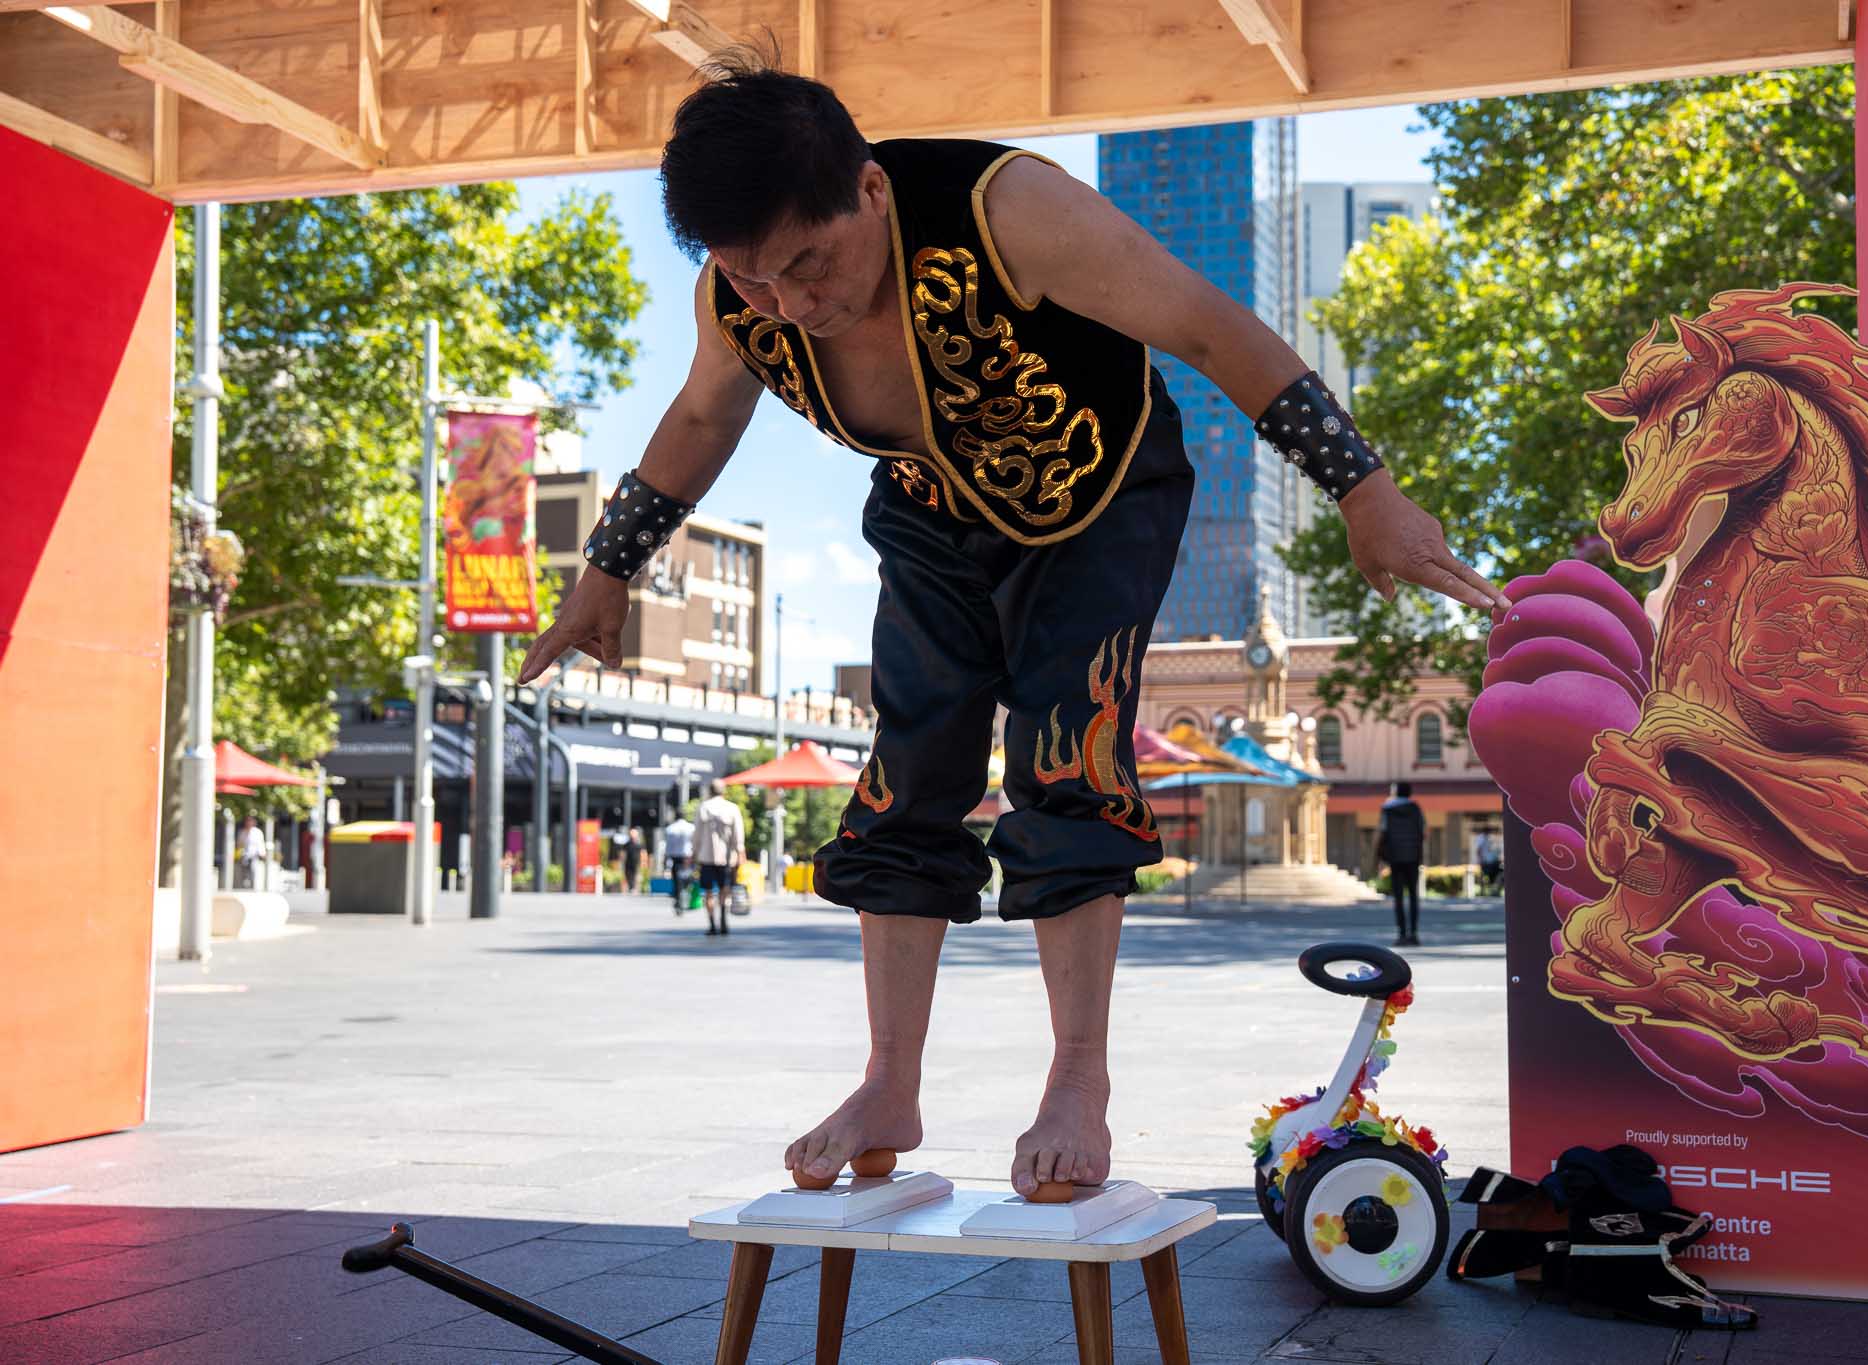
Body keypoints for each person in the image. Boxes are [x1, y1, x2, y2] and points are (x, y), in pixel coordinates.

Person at [515, 53, 1507, 1199]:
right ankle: (890, 1079)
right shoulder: (737, 303)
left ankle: (1074, 1081)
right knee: (904, 770)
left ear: (871, 193)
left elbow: (1204, 326)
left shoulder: (1010, 214)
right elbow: (699, 414)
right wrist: (607, 569)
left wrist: (1360, 489)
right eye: (753, 279)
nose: (790, 302)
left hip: (1098, 497)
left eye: (809, 263)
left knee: (1066, 756)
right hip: (933, 512)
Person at [1376, 782, 1426, 947]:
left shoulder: (1387, 810)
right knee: (1413, 896)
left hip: (1395, 857)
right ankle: (1414, 933)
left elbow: (1383, 832)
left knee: (1398, 897)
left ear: (1396, 792)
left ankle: (1402, 934)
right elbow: (1422, 831)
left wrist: (1379, 855)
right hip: (1413, 856)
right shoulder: (1416, 809)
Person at [694, 779, 746, 936]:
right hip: (726, 857)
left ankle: (712, 924)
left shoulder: (703, 807)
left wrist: (694, 852)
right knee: (725, 889)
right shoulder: (732, 808)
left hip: (706, 857)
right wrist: (740, 852)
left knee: (708, 891)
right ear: (724, 791)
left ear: (710, 791)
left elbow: (696, 834)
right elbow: (738, 834)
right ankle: (723, 917)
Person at [664, 810, 696, 913]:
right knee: (688, 877)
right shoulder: (691, 828)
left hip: (675, 857)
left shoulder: (670, 828)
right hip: (688, 857)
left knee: (676, 880)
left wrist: (667, 859)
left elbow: (668, 846)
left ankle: (678, 898)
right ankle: (684, 896)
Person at [236, 816, 268, 891]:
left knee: (253, 873)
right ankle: (244, 888)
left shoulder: (257, 832)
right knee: (243, 874)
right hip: (244, 856)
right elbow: (239, 844)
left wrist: (262, 854)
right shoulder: (242, 832)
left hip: (254, 856)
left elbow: (260, 844)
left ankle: (252, 888)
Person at [1475, 828, 1504, 895]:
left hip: (1493, 862)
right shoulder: (1481, 838)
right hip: (1486, 863)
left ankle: (1495, 891)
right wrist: (1480, 860)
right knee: (1485, 876)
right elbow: (1479, 850)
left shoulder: (1490, 839)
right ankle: (1484, 892)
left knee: (1501, 874)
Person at [623, 826, 645, 894]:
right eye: (631, 834)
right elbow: (623, 852)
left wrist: (643, 861)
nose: (632, 835)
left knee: (636, 874)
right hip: (628, 862)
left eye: (633, 834)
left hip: (636, 862)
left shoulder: (639, 843)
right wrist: (622, 860)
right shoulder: (627, 843)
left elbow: (643, 852)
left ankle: (635, 888)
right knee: (628, 874)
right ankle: (631, 887)